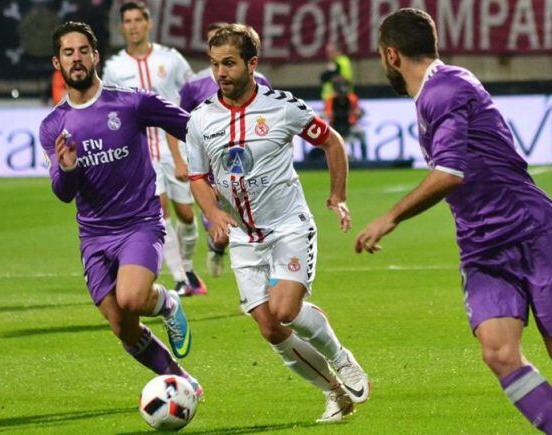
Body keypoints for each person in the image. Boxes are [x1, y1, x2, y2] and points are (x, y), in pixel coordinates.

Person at [356, 8, 552, 433]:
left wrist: (390, 217)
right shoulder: (439, 91)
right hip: (482, 248)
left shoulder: (444, 90)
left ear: (391, 56)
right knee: (499, 353)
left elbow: (450, 172)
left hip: (531, 231)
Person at [185, 24, 370, 423]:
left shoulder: (282, 107)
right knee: (270, 329)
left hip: (288, 225)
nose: (221, 73)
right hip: (243, 238)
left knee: (286, 309)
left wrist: (337, 196)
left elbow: (332, 142)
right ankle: (335, 393)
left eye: (229, 63)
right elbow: (197, 176)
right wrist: (214, 214)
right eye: (215, 64)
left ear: (252, 63)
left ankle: (341, 357)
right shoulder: (200, 120)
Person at [39, 21, 202, 397]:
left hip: (140, 223)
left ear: (96, 56)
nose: (76, 59)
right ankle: (181, 379)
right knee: (122, 326)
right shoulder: (53, 126)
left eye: (83, 51)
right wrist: (66, 168)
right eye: (68, 53)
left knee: (132, 298)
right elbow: (63, 194)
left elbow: (189, 127)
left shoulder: (131, 102)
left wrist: (211, 165)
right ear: (57, 62)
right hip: (94, 235)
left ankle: (167, 300)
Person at [102, 1, 206, 297]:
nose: (133, 26)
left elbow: (192, 90)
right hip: (140, 149)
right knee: (159, 211)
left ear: (148, 24)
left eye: (138, 20)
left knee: (186, 213)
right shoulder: (113, 67)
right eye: (128, 21)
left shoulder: (170, 59)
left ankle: (187, 266)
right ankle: (180, 277)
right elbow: (108, 107)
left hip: (173, 143)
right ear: (122, 27)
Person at [179, 21, 272, 278]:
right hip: (211, 171)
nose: (220, 66)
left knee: (254, 230)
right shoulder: (194, 85)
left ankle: (255, 293)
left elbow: (269, 121)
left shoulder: (259, 80)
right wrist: (180, 159)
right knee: (221, 234)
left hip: (248, 166)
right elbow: (179, 124)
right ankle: (217, 247)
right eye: (214, 58)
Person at [324, 76, 367, 161]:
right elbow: (328, 113)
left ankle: (364, 159)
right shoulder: (331, 99)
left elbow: (358, 112)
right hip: (335, 127)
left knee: (362, 133)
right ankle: (328, 159)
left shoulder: (352, 98)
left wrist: (358, 114)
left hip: (350, 126)